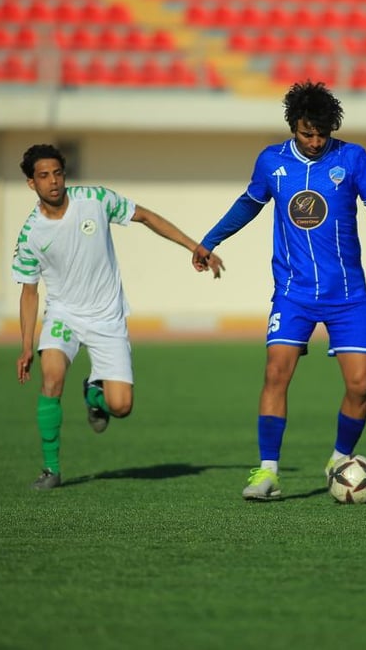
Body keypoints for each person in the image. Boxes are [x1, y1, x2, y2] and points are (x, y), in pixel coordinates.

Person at [192, 81, 366, 500]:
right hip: (293, 292)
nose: (316, 141)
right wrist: (210, 240)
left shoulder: (353, 157)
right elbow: (249, 204)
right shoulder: (272, 162)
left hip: (348, 294)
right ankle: (267, 472)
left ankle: (339, 458)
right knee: (275, 372)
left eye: (322, 133)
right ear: (293, 126)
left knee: (360, 386)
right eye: (308, 133)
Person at [12, 143, 222, 490]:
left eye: (58, 173)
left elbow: (146, 217)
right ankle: (51, 469)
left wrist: (195, 246)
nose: (53, 182)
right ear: (32, 184)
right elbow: (29, 291)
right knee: (51, 379)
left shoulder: (94, 200)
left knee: (121, 406)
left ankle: (94, 393)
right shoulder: (31, 234)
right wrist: (25, 346)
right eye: (44, 176)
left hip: (108, 318)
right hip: (64, 315)